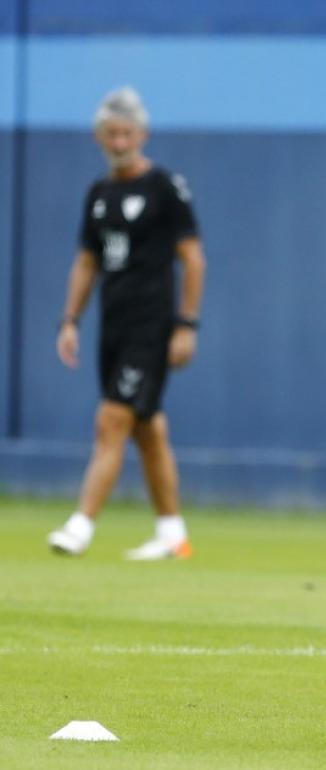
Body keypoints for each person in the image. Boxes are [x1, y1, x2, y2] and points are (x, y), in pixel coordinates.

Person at [46, 86, 206, 561]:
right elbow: (86, 260)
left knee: (111, 419)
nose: (118, 142)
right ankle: (172, 532)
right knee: (147, 428)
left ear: (143, 133)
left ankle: (81, 525)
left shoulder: (165, 187)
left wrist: (186, 325)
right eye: (110, 134)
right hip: (112, 325)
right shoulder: (99, 192)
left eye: (126, 133)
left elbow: (193, 259)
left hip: (151, 324)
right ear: (100, 136)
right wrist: (70, 319)